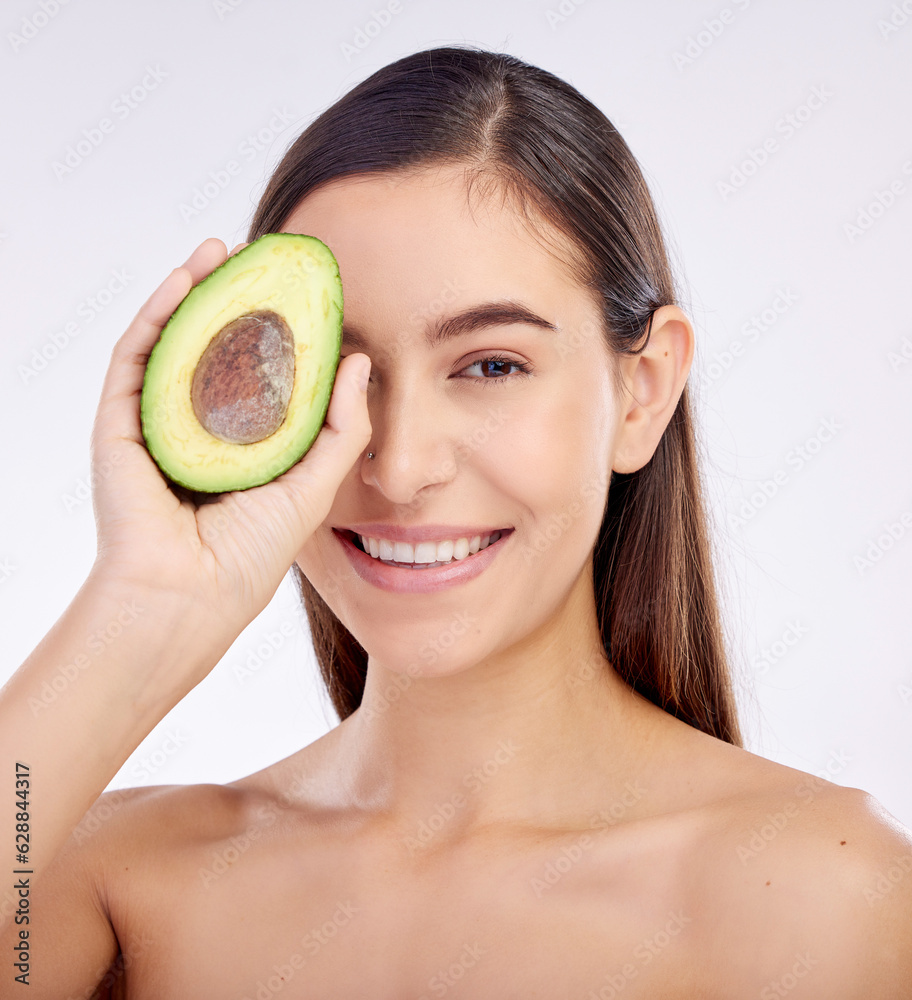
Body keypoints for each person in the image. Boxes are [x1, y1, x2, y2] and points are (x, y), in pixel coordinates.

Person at [1, 45, 910, 998]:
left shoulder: (832, 901)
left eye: (490, 366)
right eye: (338, 375)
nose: (399, 465)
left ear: (643, 392)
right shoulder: (95, 881)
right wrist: (141, 608)